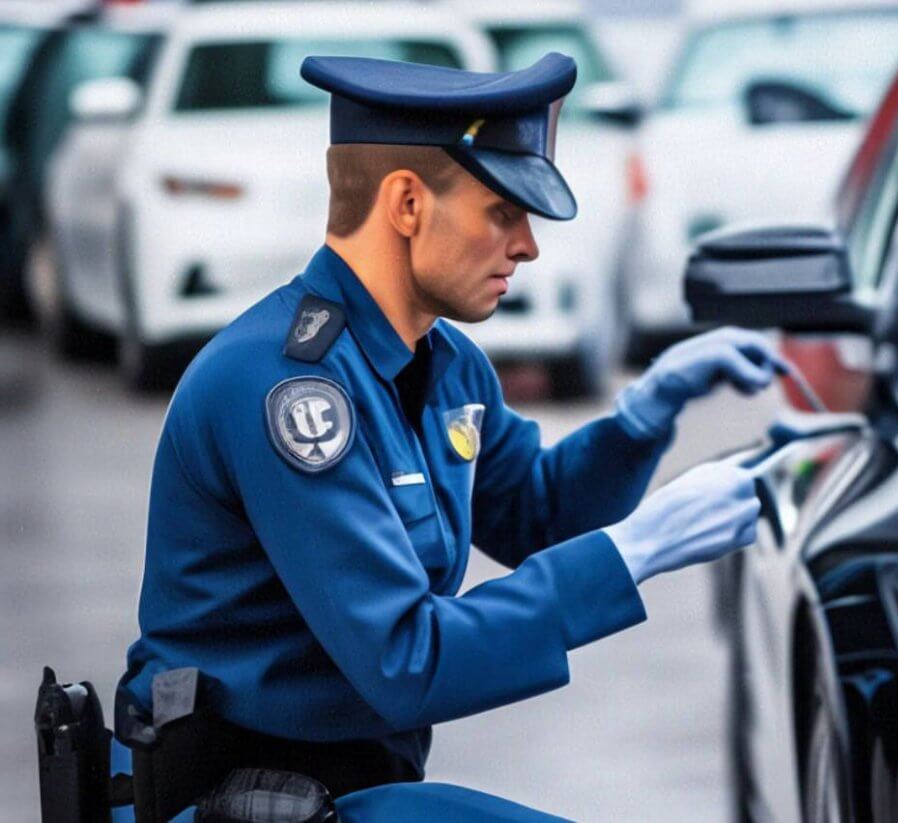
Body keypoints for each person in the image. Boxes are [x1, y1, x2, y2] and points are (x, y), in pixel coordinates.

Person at [116, 52, 793, 820]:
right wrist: (639, 550)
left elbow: (536, 510)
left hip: (349, 787)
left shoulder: (443, 365)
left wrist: (644, 416)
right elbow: (406, 656)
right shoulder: (284, 390)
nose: (528, 245)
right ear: (406, 204)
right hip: (239, 797)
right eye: (502, 211)